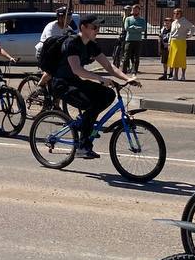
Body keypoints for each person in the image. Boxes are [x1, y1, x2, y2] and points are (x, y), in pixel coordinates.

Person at [50, 10, 140, 157]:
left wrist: (127, 78)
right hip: (62, 84)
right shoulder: (72, 43)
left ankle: (86, 123)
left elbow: (109, 67)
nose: (97, 31)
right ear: (83, 27)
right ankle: (82, 147)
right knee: (90, 104)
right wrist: (101, 79)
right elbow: (77, 69)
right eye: (94, 27)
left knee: (108, 94)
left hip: (76, 82)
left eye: (98, 28)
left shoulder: (92, 45)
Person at [165, 7, 194, 81]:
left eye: (177, 13)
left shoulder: (184, 21)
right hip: (173, 42)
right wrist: (169, 43)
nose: (175, 15)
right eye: (174, 13)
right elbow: (171, 33)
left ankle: (183, 76)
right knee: (175, 59)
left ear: (181, 14)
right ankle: (175, 75)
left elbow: (192, 27)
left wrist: (189, 35)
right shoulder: (174, 22)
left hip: (181, 41)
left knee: (181, 59)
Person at [121, 4, 147, 73]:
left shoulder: (142, 20)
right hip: (129, 40)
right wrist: (137, 28)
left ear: (139, 11)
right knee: (126, 56)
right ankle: (124, 71)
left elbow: (143, 28)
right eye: (133, 9)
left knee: (136, 57)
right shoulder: (128, 19)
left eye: (136, 10)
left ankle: (134, 70)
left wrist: (133, 27)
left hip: (138, 40)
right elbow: (127, 28)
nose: (135, 11)